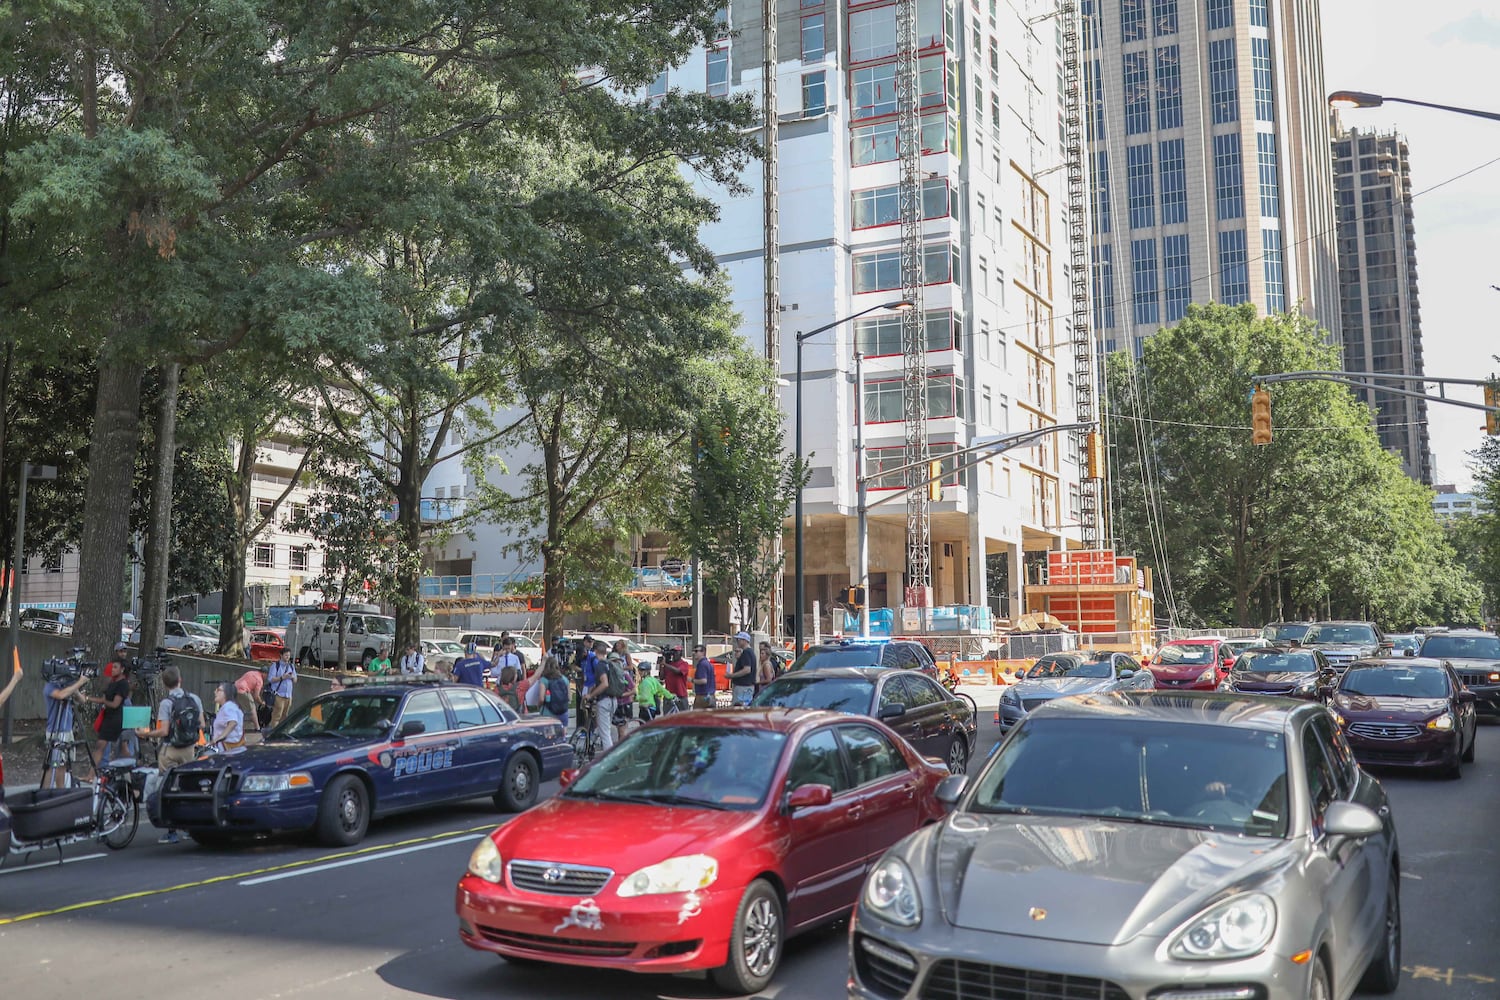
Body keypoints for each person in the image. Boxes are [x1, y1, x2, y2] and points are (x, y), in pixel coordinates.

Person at [134, 665, 202, 844]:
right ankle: (189, 828)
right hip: (189, 750)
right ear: (180, 680)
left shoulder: (166, 703)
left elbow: (163, 731)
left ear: (165, 684)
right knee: (187, 787)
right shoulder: (194, 698)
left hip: (170, 750)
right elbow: (201, 724)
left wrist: (146, 733)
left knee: (168, 788)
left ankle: (171, 831)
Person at [42, 662, 89, 788]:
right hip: (56, 731)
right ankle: (53, 793)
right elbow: (61, 695)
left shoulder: (67, 686)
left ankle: (57, 791)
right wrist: (79, 682)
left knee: (62, 765)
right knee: (55, 766)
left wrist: (75, 686)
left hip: (67, 730)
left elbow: (82, 700)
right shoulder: (50, 686)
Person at [86, 657, 132, 767]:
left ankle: (132, 767)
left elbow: (115, 704)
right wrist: (87, 698)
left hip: (115, 720)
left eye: (115, 667)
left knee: (115, 746)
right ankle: (92, 774)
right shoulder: (113, 683)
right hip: (108, 718)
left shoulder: (123, 684)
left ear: (122, 669)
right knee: (100, 747)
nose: (112, 669)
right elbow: (104, 699)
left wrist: (102, 701)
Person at [583, 648, 621, 754]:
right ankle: (591, 744)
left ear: (595, 652)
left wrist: (590, 695)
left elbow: (604, 684)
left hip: (604, 701)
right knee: (603, 727)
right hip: (614, 700)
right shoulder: (609, 665)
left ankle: (609, 761)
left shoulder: (600, 665)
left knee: (605, 734)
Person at [207, 681, 246, 755]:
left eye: (218, 690)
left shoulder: (228, 706)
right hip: (232, 750)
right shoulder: (231, 706)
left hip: (227, 750)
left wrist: (218, 738)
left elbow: (233, 722)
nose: (215, 692)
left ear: (226, 693)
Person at [267, 649, 297, 728]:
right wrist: (282, 677)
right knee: (277, 715)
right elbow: (270, 679)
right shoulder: (275, 666)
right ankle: (273, 731)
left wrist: (292, 677)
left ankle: (281, 732)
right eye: (286, 655)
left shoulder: (291, 666)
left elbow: (295, 680)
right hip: (279, 695)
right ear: (281, 655)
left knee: (284, 716)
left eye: (289, 655)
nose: (288, 657)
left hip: (288, 695)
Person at [538, 655, 570, 725]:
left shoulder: (544, 680)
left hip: (548, 713)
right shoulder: (565, 679)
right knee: (563, 734)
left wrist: (539, 706)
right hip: (563, 712)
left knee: (548, 734)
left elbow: (541, 699)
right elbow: (569, 697)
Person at [234, 667, 266, 735]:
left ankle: (236, 726)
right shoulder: (260, 680)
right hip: (243, 690)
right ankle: (257, 728)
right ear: (264, 674)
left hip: (235, 688)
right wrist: (261, 702)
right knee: (252, 708)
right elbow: (256, 696)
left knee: (239, 708)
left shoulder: (251, 672)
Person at [659, 646, 691, 711]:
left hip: (681, 695)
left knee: (682, 717)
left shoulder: (684, 664)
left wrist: (665, 664)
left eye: (676, 652)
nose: (674, 654)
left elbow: (678, 671)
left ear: (680, 654)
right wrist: (661, 665)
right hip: (669, 695)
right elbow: (661, 677)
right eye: (673, 652)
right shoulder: (669, 664)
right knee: (668, 718)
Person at [728, 632, 756, 706]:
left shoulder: (746, 652)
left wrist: (732, 675)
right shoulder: (750, 652)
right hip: (746, 687)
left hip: (743, 687)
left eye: (739, 640)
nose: (737, 642)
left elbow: (747, 669)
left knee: (739, 708)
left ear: (744, 640)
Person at [692, 644, 716, 710]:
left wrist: (691, 680)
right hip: (711, 696)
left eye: (696, 651)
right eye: (693, 651)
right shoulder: (708, 664)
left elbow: (703, 681)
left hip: (702, 696)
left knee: (697, 717)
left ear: (703, 652)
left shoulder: (701, 664)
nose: (694, 653)